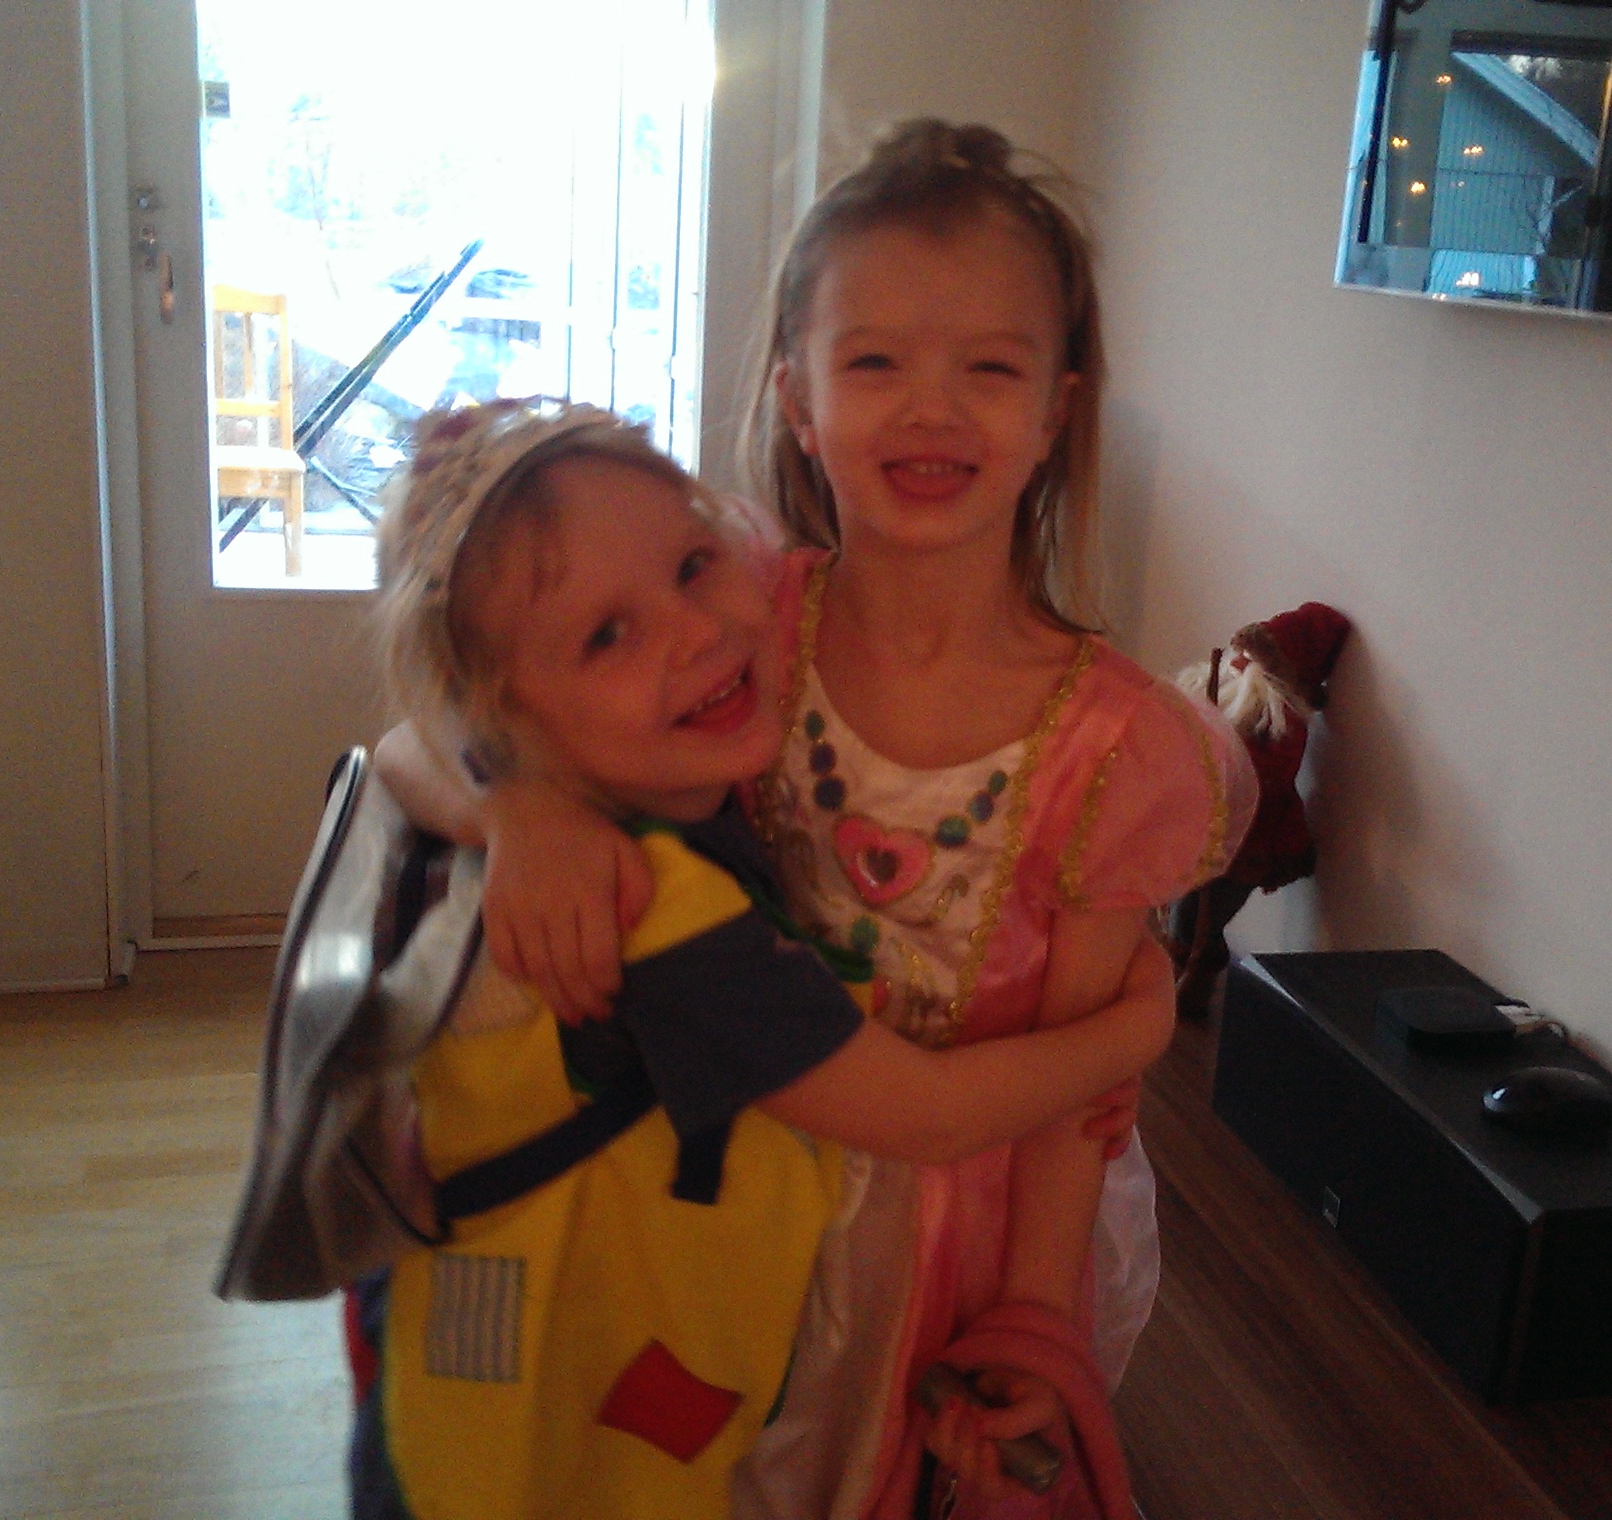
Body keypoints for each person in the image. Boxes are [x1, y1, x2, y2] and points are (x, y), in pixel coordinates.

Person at [451, 121, 1259, 1519]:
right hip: (725, 1181)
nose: (932, 410)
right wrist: (527, 802)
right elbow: (456, 712)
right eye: (876, 362)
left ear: (1056, 409)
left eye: (989, 369)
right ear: (799, 399)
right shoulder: (734, 614)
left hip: (966, 1239)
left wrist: (1034, 1320)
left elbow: (1074, 1106)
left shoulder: (1120, 748)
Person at [352, 396, 1184, 1520]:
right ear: (504, 721)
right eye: (608, 635)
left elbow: (400, 749)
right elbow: (930, 1114)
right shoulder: (658, 914)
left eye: (694, 565)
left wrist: (517, 804)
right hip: (532, 1452)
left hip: (505, 1389)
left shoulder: (621, 804)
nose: (694, 631)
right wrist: (1134, 1027)